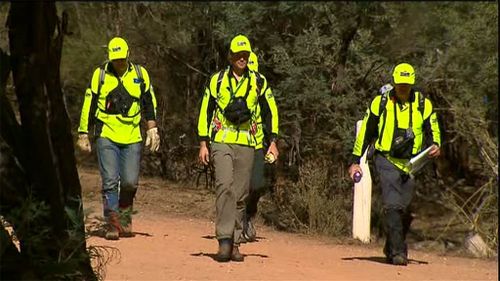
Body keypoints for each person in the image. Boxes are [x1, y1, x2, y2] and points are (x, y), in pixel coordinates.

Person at [348, 63, 441, 266]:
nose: (403, 88)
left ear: (412, 83)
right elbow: (365, 133)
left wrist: (436, 145)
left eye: (407, 84)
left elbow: (433, 127)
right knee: (392, 205)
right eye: (400, 84)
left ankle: (390, 246)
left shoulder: (423, 104)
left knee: (405, 211)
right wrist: (355, 161)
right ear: (394, 82)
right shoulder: (380, 103)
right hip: (386, 159)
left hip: (412, 164)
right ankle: (399, 252)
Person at [197, 34, 277, 262]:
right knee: (224, 186)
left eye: (246, 55)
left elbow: (270, 110)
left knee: (241, 193)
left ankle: (236, 241)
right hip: (221, 140)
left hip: (248, 142)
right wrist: (203, 142)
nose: (242, 58)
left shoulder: (258, 82)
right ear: (230, 57)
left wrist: (272, 140)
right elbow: (205, 110)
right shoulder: (217, 81)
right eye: (238, 55)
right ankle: (224, 239)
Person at [76, 37, 160, 240]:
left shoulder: (140, 74)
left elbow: (149, 101)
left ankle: (124, 215)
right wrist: (83, 133)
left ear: (128, 55)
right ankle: (113, 224)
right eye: (115, 59)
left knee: (130, 182)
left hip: (132, 135)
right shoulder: (101, 75)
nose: (119, 63)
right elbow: (90, 102)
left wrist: (152, 129)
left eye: (122, 59)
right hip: (107, 134)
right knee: (110, 181)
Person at [241, 51, 279, 242]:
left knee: (257, 184)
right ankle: (230, 224)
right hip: (232, 142)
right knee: (233, 186)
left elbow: (272, 111)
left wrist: (273, 140)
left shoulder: (262, 84)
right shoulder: (229, 81)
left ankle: (247, 215)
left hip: (255, 143)